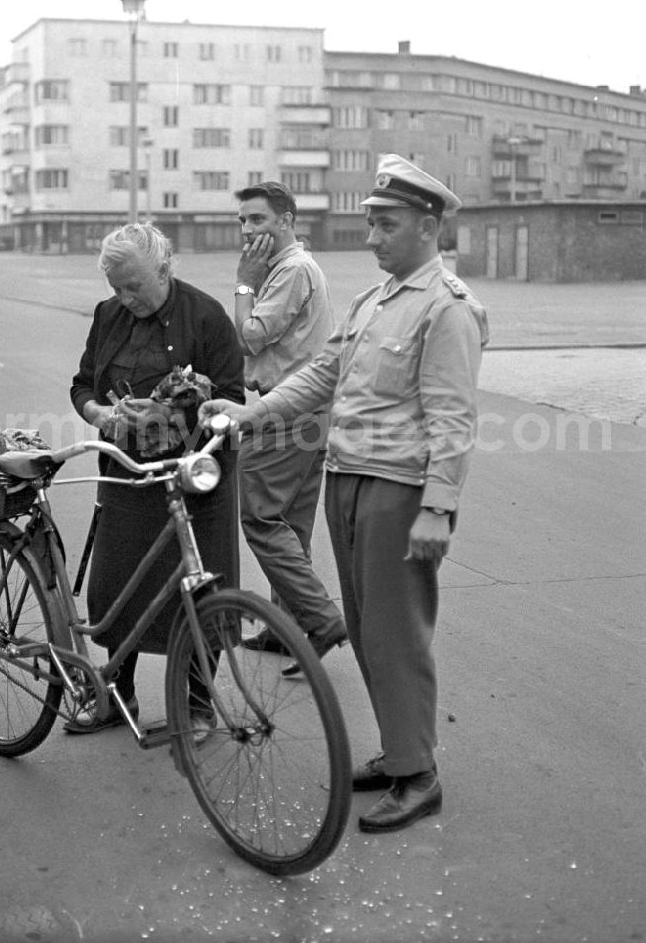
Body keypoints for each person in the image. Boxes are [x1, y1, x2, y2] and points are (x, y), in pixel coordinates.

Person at [201, 156, 488, 833]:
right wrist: (251, 414)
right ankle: (398, 752)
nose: (371, 237)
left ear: (427, 225)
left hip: (399, 489)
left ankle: (418, 775)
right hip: (348, 477)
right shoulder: (374, 301)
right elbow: (321, 373)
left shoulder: (446, 309)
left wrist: (440, 507)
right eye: (368, 223)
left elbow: (453, 417)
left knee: (397, 633)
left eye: (384, 224)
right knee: (365, 629)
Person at [68, 222, 244, 734]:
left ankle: (198, 705)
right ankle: (114, 697)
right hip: (128, 476)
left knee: (199, 596)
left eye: (134, 286)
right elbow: (82, 385)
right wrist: (101, 415)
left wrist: (174, 412)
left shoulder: (206, 317)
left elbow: (232, 404)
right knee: (119, 585)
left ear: (164, 269)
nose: (125, 298)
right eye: (116, 287)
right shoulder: (108, 315)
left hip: (192, 481)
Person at [232, 181, 347, 676]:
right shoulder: (290, 268)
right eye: (242, 221)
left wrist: (242, 283)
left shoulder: (290, 269)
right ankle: (287, 628)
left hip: (286, 414)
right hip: (307, 413)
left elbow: (251, 336)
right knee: (292, 527)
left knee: (260, 518)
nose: (248, 230)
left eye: (257, 220)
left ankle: (319, 620)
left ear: (286, 221)